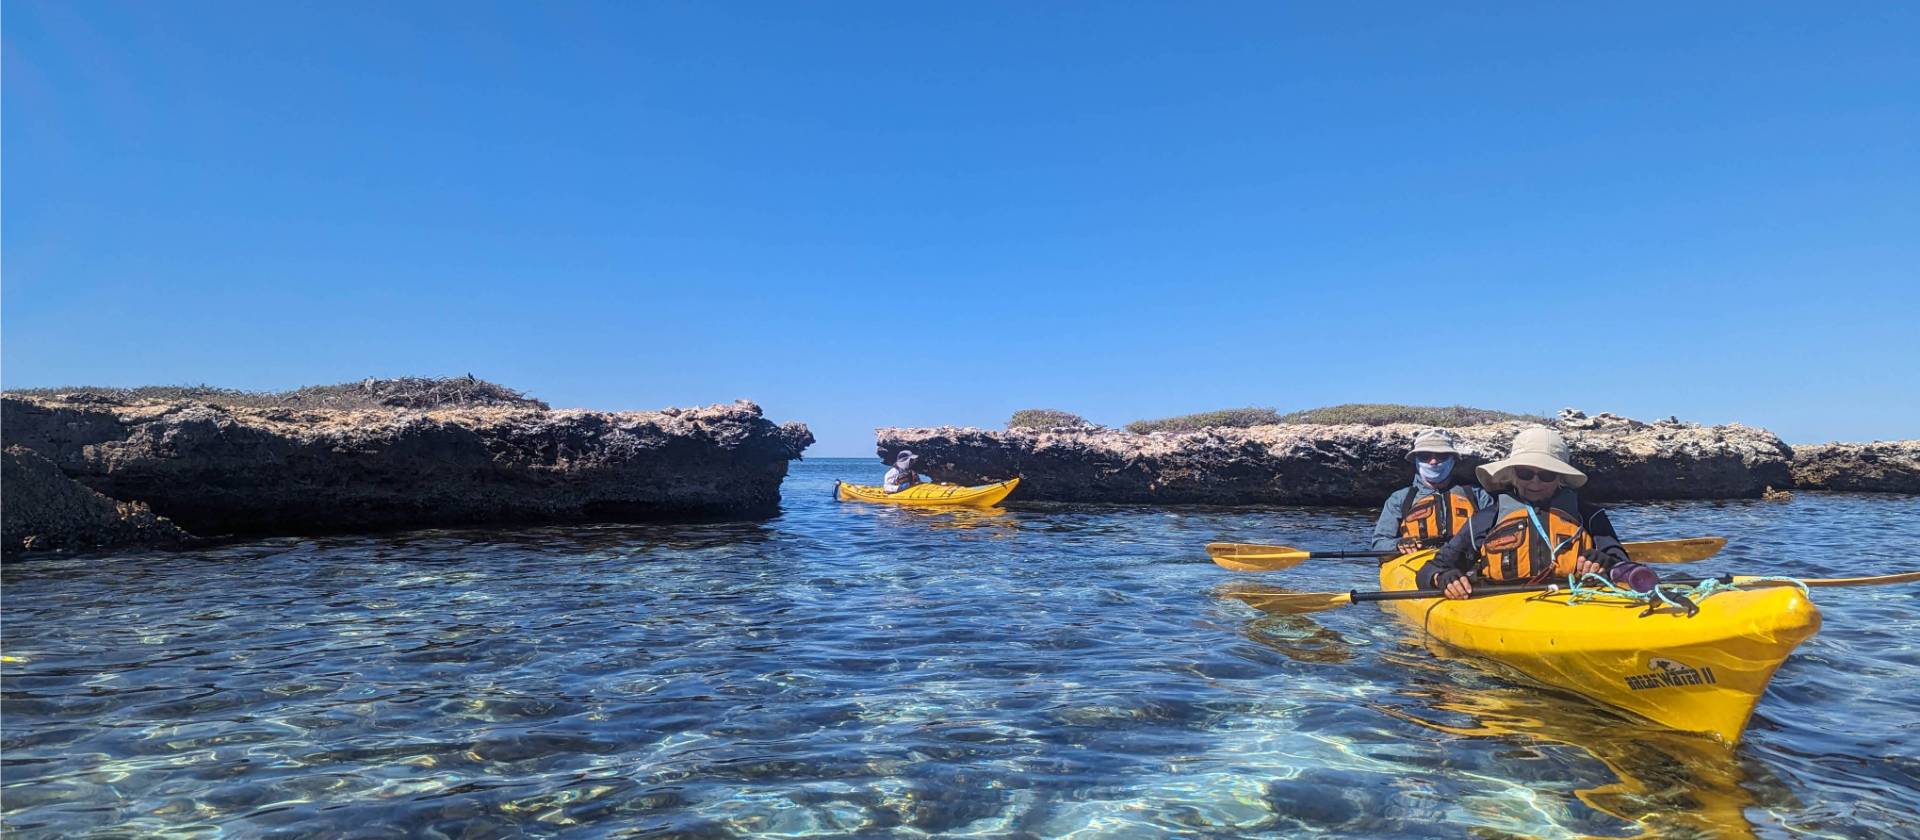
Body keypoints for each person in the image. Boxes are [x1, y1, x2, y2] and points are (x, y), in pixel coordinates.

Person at [1418, 426, 1642, 600]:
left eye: (1546, 475)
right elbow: (1431, 569)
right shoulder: (1489, 518)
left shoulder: (1590, 516)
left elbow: (1623, 565)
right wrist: (1442, 578)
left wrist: (1607, 562)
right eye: (1526, 473)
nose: (1535, 483)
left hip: (1574, 602)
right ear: (1513, 475)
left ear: (1560, 478)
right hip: (1503, 605)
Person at [1370, 429, 1495, 554]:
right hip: (1415, 564)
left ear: (1453, 459)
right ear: (1415, 460)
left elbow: (1496, 533)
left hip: (1466, 563)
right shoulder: (1399, 499)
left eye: (1441, 456)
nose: (1433, 461)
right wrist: (1398, 544)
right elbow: (1379, 543)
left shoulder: (1478, 495)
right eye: (1425, 456)